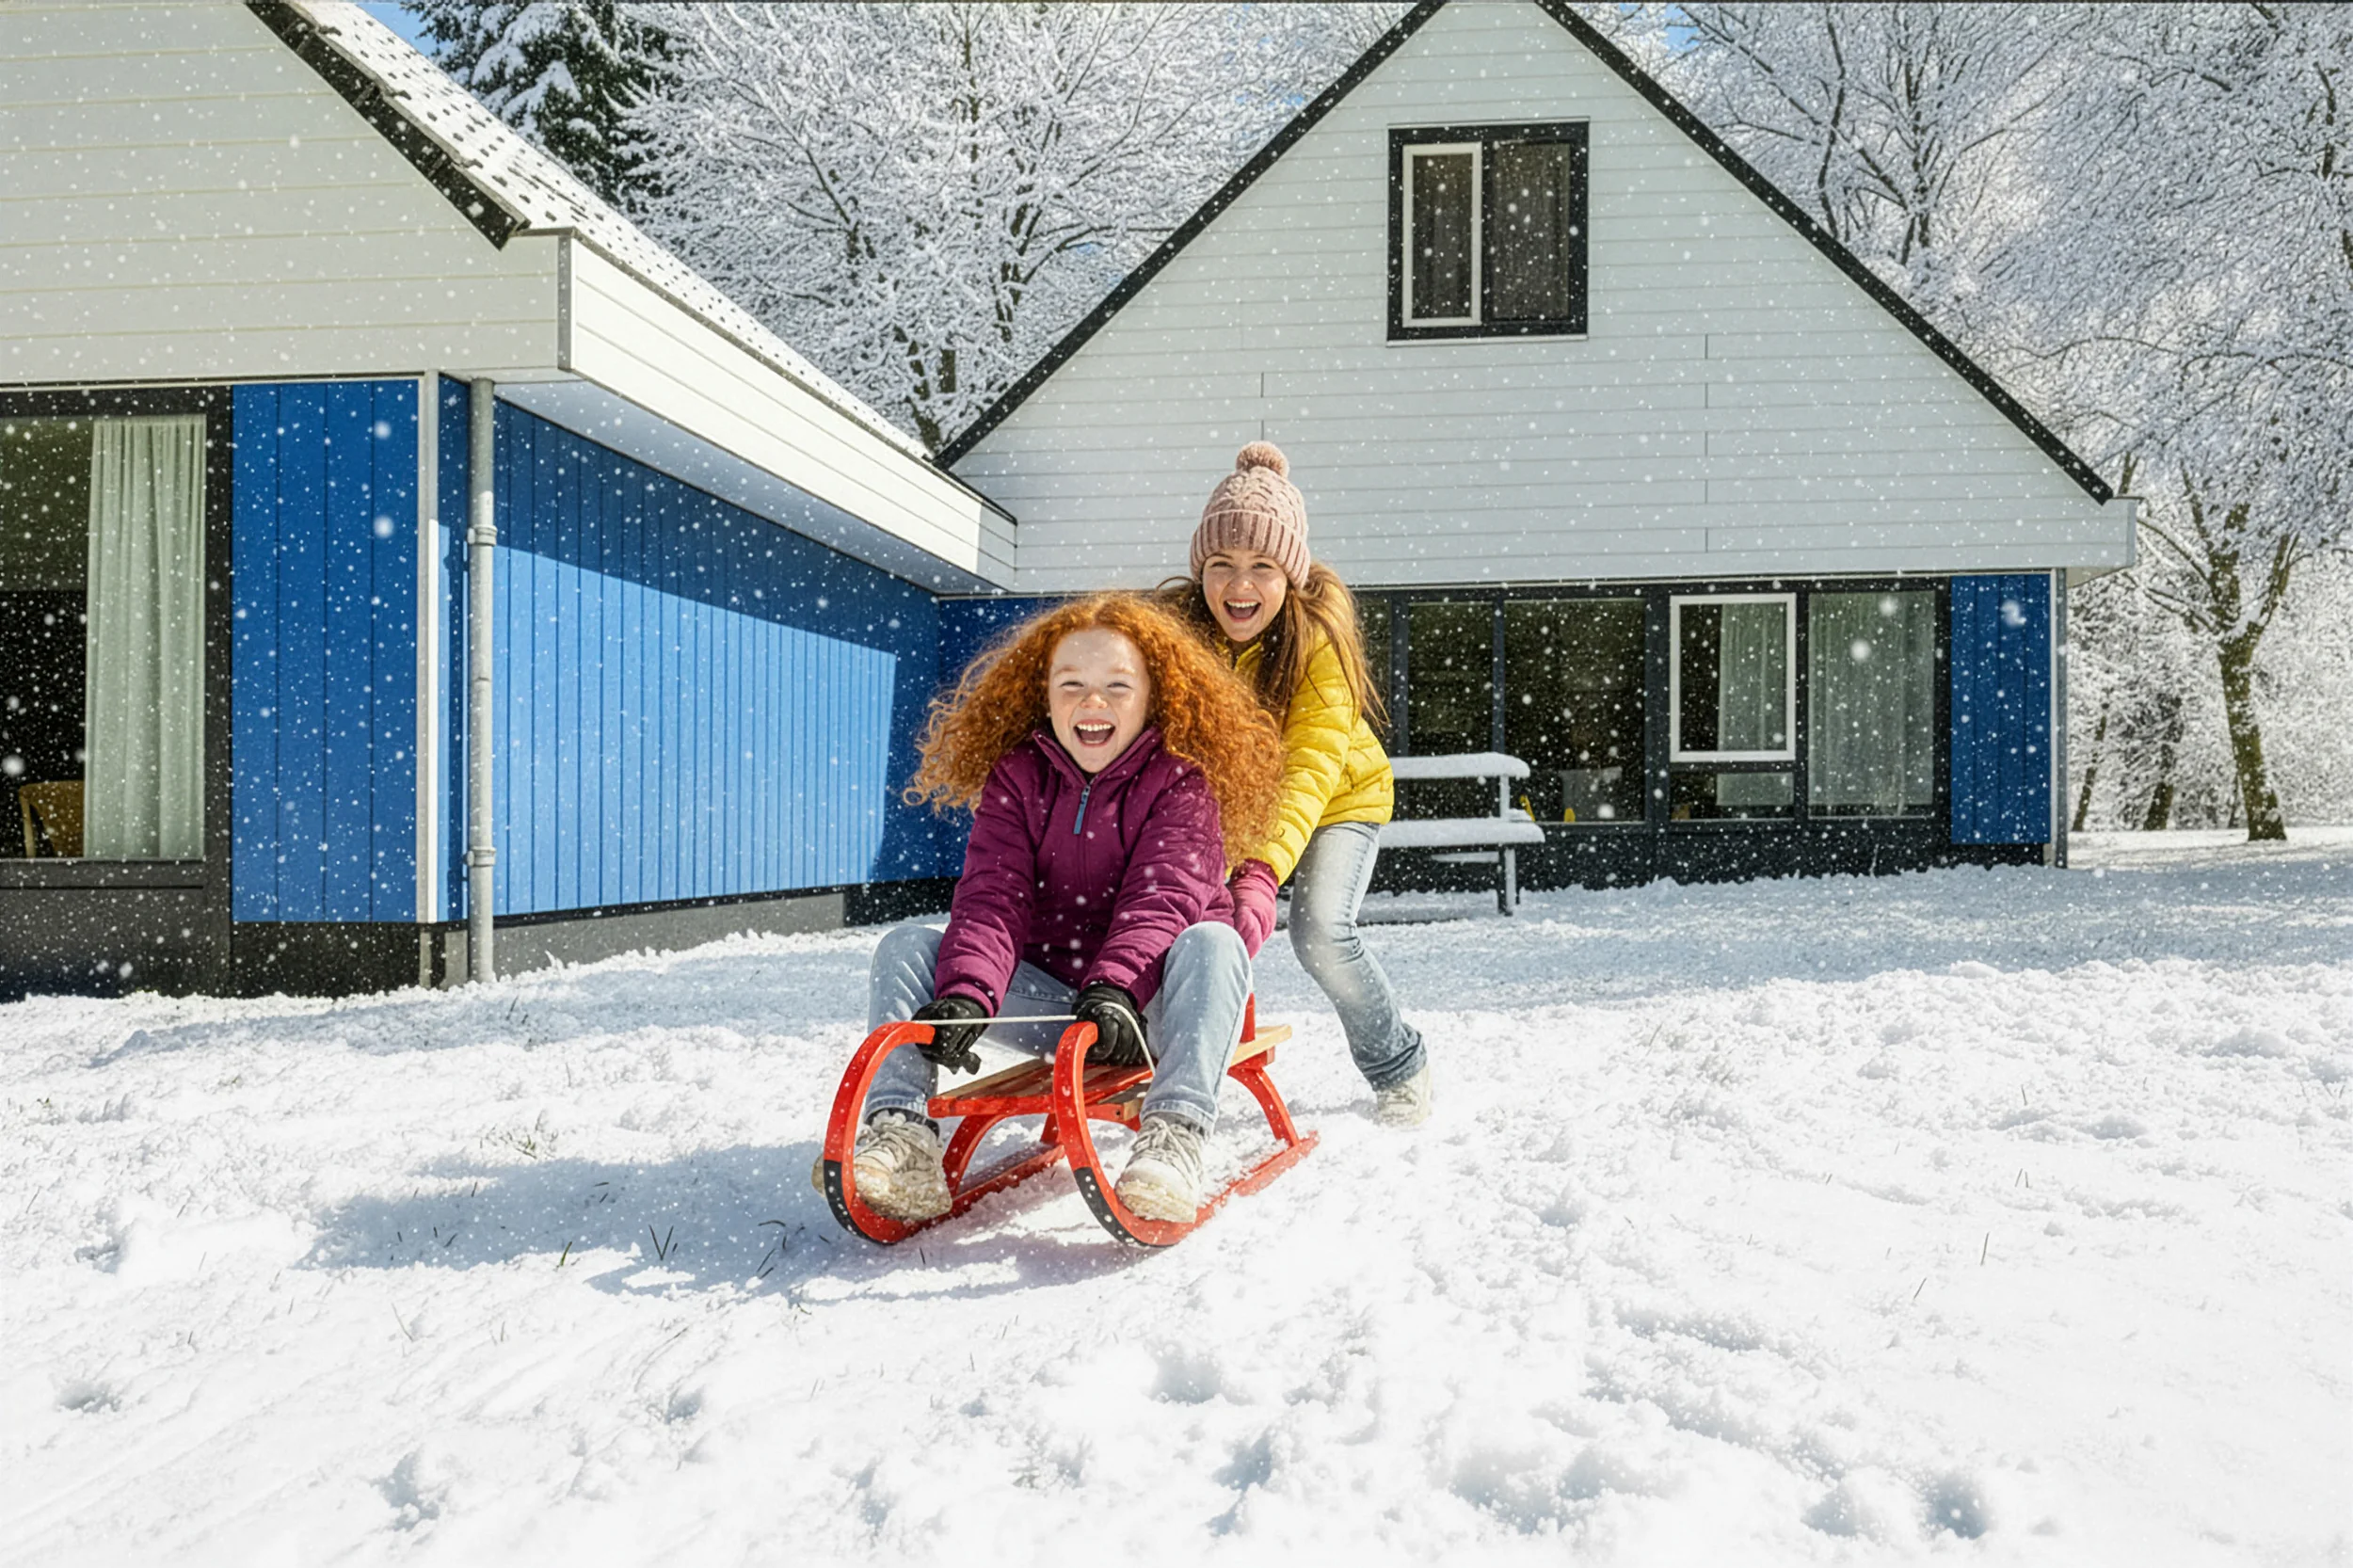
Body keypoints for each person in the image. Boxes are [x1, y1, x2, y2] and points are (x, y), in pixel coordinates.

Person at [837, 593, 1282, 1224]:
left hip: (1152, 1012)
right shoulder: (1018, 779)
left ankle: (1174, 1138)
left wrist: (1115, 989)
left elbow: (1162, 900)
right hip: (1060, 1010)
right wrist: (968, 992)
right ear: (1041, 695)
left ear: (1155, 696)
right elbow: (994, 895)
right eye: (1071, 684)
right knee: (906, 947)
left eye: (1116, 686)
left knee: (1214, 942)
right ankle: (903, 1134)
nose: (1092, 702)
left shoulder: (1183, 782)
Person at [1159, 442, 1432, 1127]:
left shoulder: (1318, 646)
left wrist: (1260, 870)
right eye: (1221, 565)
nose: (1239, 585)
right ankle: (1167, 1063)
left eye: (1261, 567)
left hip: (1339, 800)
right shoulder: (1178, 640)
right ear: (1200, 572)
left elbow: (1309, 769)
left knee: (1319, 932)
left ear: (1292, 575)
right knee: (1176, 915)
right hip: (1239, 804)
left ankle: (1399, 1064)